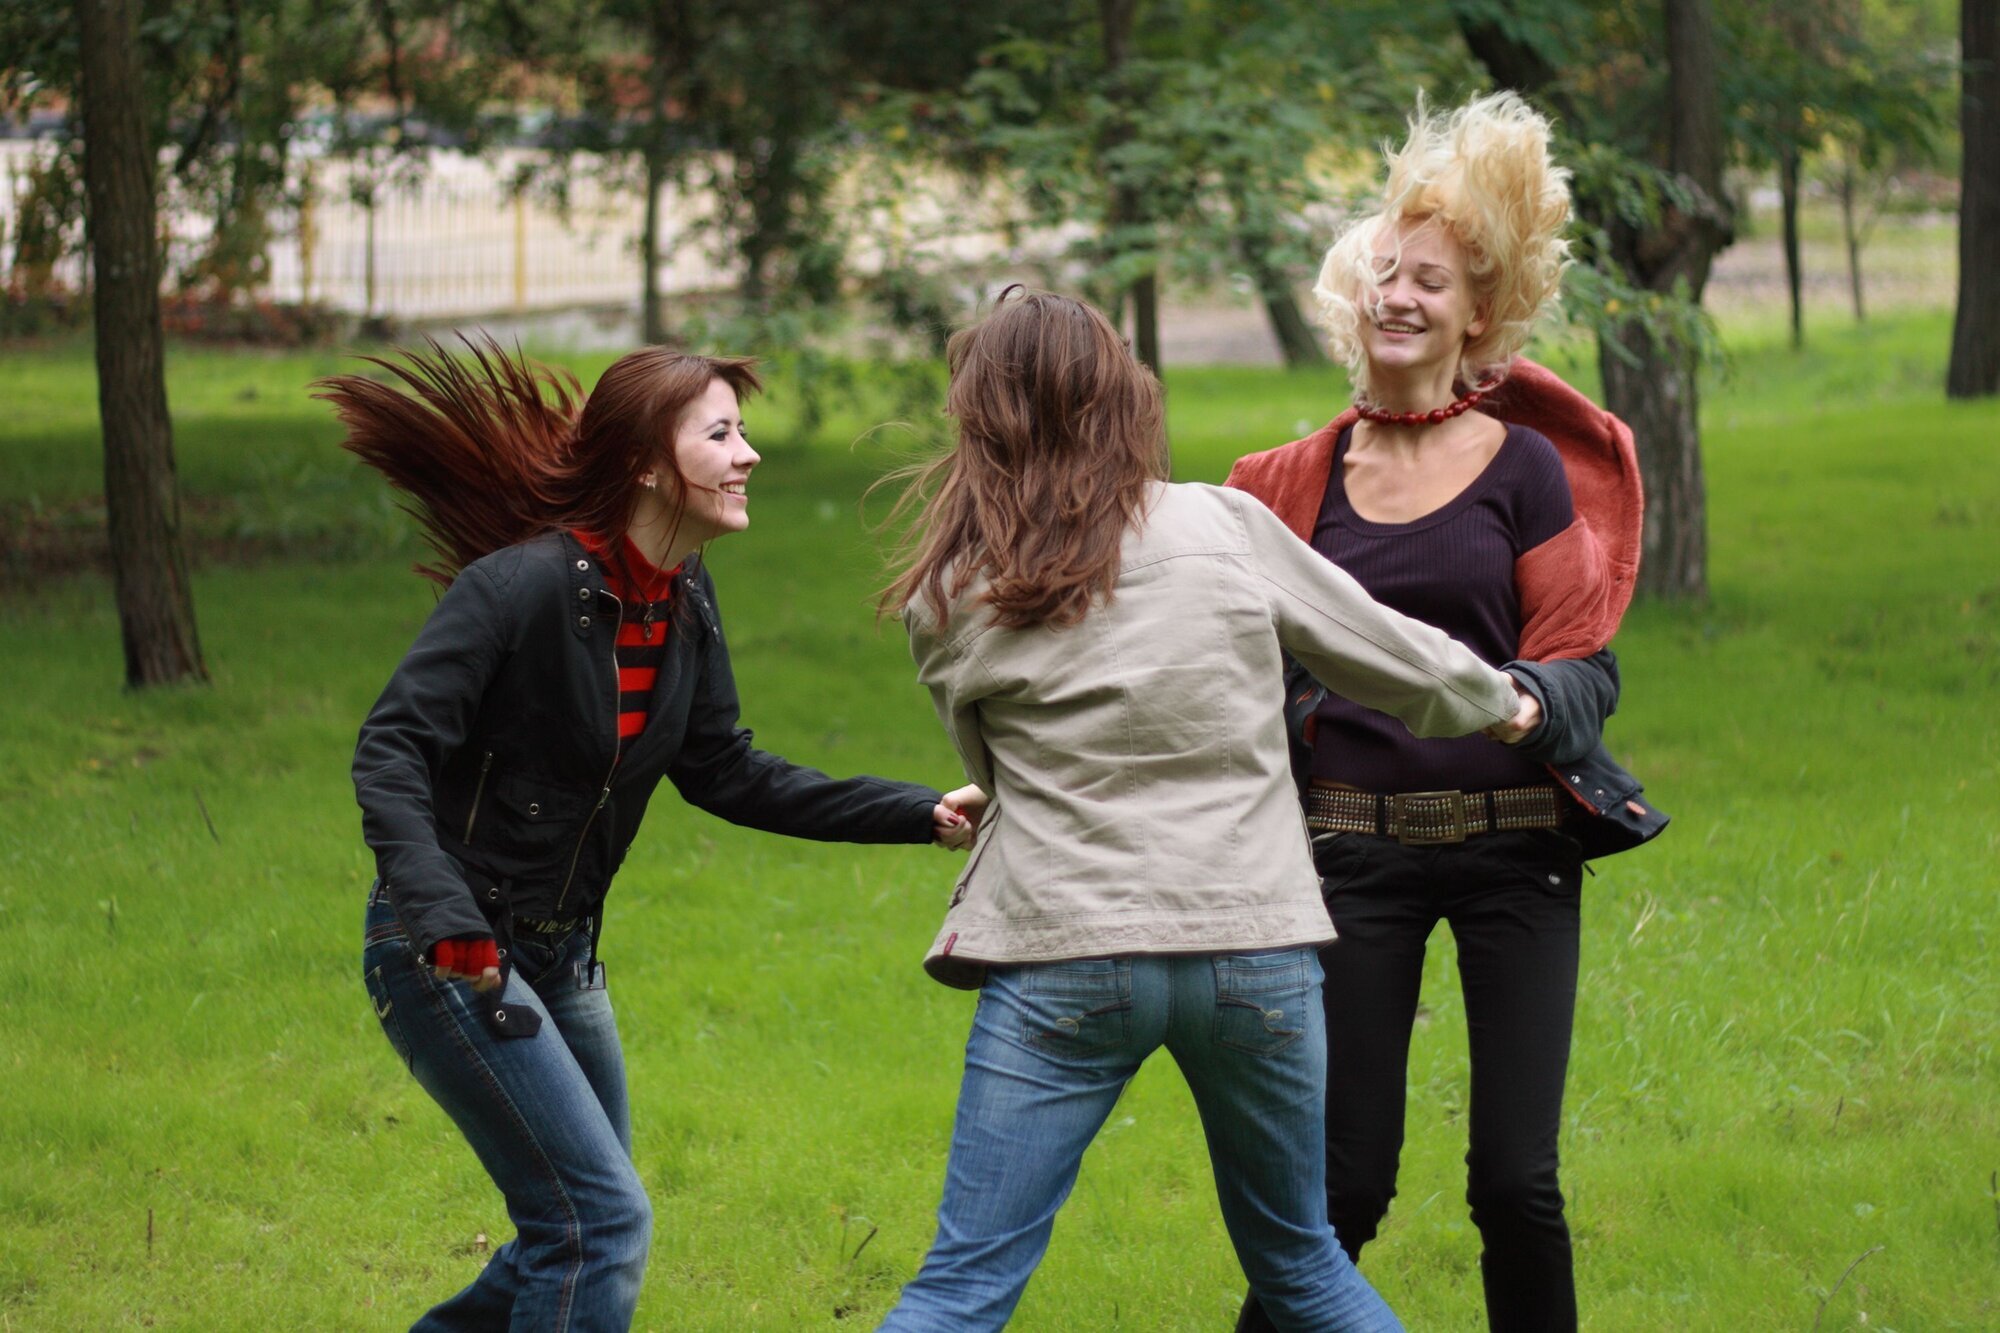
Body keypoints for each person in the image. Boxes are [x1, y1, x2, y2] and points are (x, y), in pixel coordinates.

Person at [872, 287, 1541, 1333]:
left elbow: (993, 765)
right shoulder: (1221, 524)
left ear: (980, 419)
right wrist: (1508, 704)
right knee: (1304, 1268)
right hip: (1253, 945)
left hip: (1062, 948)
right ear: (1122, 400)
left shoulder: (950, 588)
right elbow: (1385, 650)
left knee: (960, 1288)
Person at [319, 339, 980, 1332]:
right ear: (644, 462)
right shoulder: (519, 589)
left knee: (573, 1223)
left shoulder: (683, 597)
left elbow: (724, 770)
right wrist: (446, 917)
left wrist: (914, 810)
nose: (749, 454)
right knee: (596, 1222)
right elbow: (391, 749)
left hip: (560, 955)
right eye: (720, 434)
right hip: (455, 953)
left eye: (742, 431)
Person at [1225, 94, 1668, 1333]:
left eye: (1428, 280)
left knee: (1514, 1185)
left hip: (1513, 853)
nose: (1398, 296)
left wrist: (1525, 700)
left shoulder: (1519, 467)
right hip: (1350, 858)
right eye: (1383, 273)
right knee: (1339, 1187)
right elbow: (1223, 673)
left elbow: (1583, 668)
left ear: (1478, 312)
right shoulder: (1290, 486)